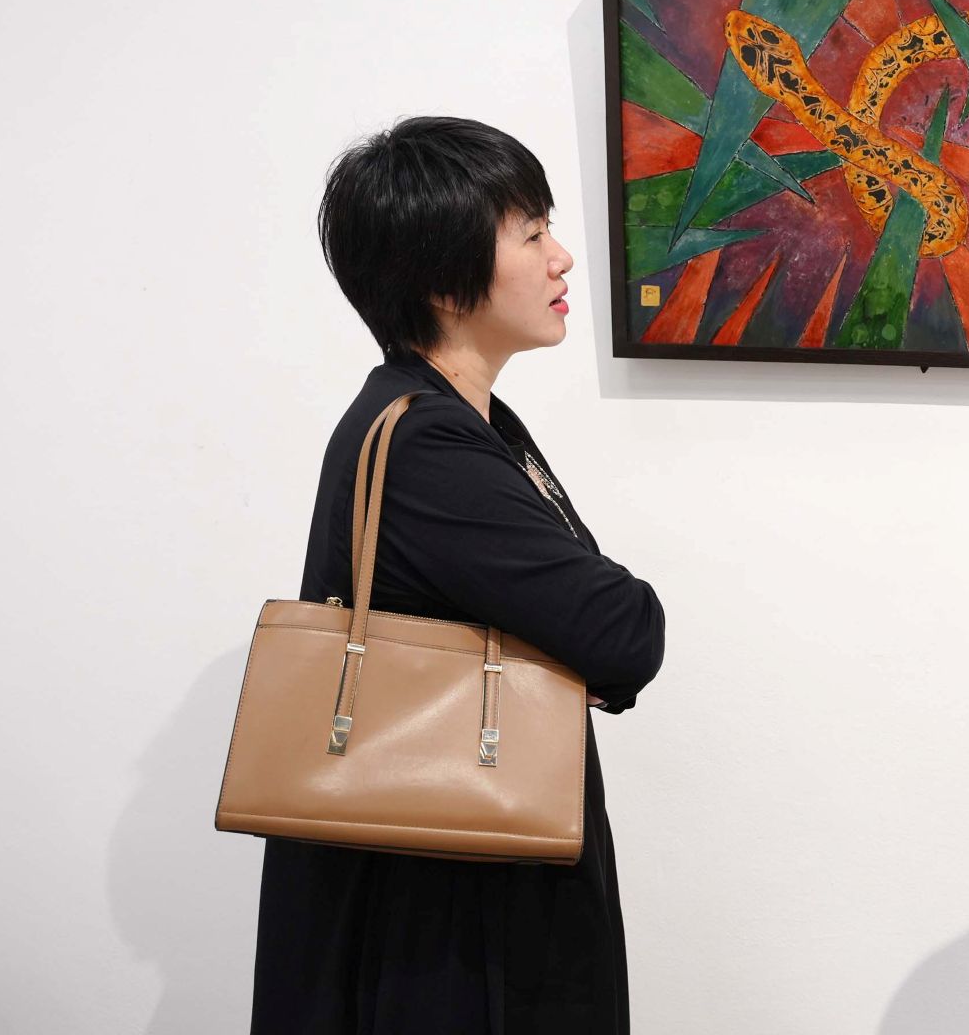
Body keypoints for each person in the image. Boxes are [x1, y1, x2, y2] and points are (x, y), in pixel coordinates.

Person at [251, 117, 666, 1034]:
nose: (562, 258)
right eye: (532, 233)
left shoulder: (453, 421)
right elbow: (622, 631)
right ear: (444, 280)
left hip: (443, 886)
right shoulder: (427, 444)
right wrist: (598, 632)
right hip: (444, 924)